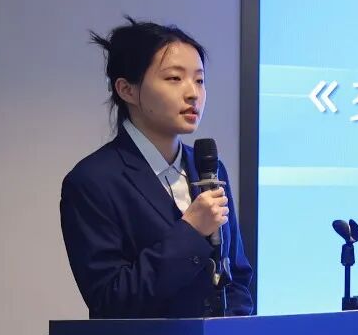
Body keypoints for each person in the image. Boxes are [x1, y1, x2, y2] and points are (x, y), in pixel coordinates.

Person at [60, 16, 253, 318]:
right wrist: (191, 231)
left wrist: (236, 334)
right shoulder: (93, 181)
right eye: (174, 78)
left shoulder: (209, 168)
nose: (193, 93)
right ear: (127, 90)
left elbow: (237, 276)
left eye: (199, 80)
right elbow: (110, 299)